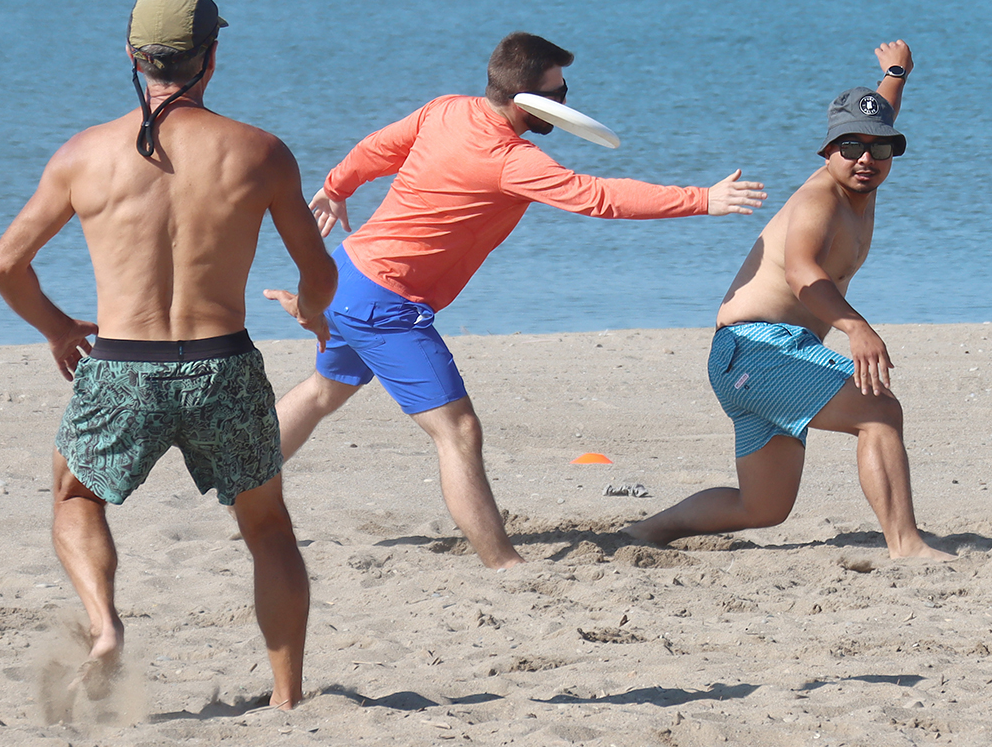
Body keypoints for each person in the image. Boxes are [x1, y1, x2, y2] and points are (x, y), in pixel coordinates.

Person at [268, 31, 766, 569]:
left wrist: (337, 187)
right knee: (458, 432)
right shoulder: (511, 159)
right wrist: (702, 199)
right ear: (527, 99)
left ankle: (242, 496)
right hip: (385, 302)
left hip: (347, 273)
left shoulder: (446, 110)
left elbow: (377, 148)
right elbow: (598, 198)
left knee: (324, 389)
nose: (567, 101)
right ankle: (503, 565)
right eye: (559, 91)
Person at [0, 0, 336, 711]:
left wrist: (57, 326)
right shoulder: (260, 151)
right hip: (224, 364)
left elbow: (5, 266)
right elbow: (317, 268)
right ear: (212, 56)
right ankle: (286, 697)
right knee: (267, 525)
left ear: (133, 55)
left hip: (121, 366)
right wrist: (310, 311)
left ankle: (106, 625)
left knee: (75, 496)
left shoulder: (83, 155)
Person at [627, 43, 953, 560]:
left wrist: (896, 72)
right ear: (828, 152)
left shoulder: (863, 176)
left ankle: (642, 533)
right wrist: (855, 327)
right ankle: (905, 544)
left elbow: (878, 116)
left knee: (762, 508)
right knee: (880, 413)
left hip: (752, 357)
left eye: (882, 149)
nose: (867, 158)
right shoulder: (820, 199)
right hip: (758, 349)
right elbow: (803, 274)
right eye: (851, 148)